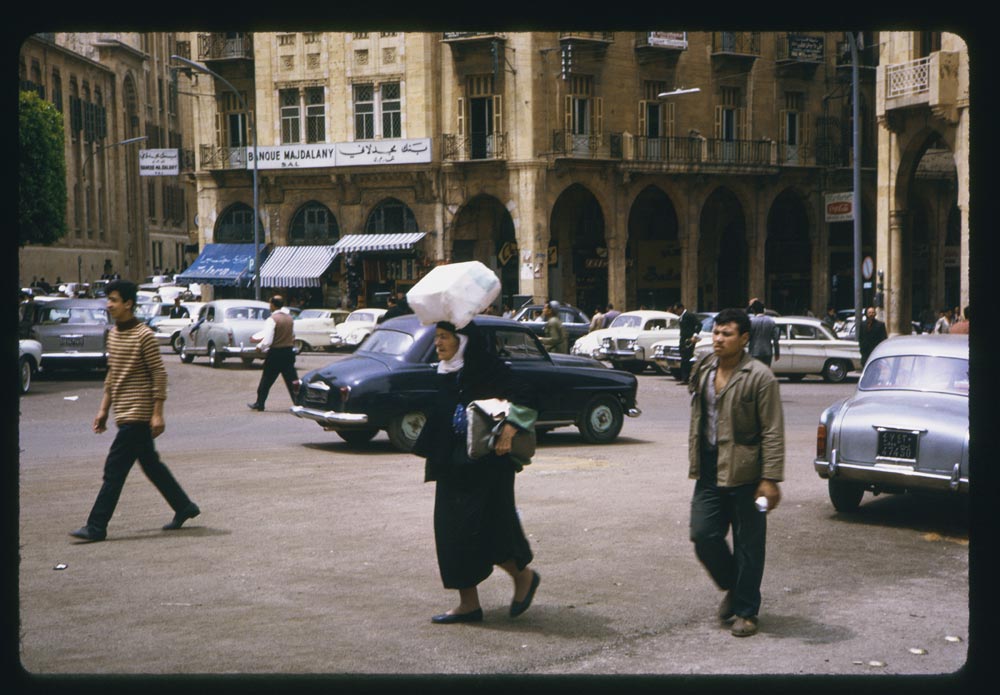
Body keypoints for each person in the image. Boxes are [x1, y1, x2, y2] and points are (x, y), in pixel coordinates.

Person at [412, 320, 540, 624]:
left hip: (487, 464)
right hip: (450, 463)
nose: (438, 344)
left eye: (445, 338)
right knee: (451, 533)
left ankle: (523, 577)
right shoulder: (444, 372)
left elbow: (528, 396)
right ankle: (468, 603)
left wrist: (510, 427)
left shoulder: (486, 367)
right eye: (437, 338)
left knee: (491, 528)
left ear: (463, 341)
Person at [70, 280, 200, 542]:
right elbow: (113, 374)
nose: (109, 305)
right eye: (108, 299)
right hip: (123, 411)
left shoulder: (144, 336)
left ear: (128, 304)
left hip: (137, 413)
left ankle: (96, 526)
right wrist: (103, 410)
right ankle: (184, 507)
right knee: (151, 465)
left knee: (114, 470)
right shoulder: (114, 334)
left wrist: (157, 412)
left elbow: (159, 375)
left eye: (114, 300)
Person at [686, 308, 784, 637]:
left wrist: (769, 479)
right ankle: (733, 585)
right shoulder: (703, 367)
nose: (718, 339)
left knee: (749, 544)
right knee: (703, 534)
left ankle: (746, 611)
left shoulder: (760, 377)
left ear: (744, 339)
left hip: (748, 474)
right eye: (715, 332)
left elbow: (772, 430)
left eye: (726, 334)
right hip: (710, 469)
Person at [247, 295, 298, 412]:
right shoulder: (289, 318)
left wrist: (259, 347)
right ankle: (298, 402)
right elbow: (293, 335)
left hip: (276, 353)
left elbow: (268, 339)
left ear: (273, 305)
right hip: (288, 352)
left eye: (270, 303)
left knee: (267, 379)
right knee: (292, 380)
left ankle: (260, 403)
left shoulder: (272, 319)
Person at [675, 302, 702, 385]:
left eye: (677, 310)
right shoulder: (681, 317)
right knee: (683, 359)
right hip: (683, 339)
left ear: (681, 308)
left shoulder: (689, 315)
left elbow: (699, 324)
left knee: (687, 359)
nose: (676, 312)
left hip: (689, 339)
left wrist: (695, 335)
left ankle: (687, 378)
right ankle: (685, 377)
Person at [747, 299, 780, 367]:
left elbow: (748, 337)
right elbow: (776, 339)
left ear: (753, 310)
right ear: (763, 310)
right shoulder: (771, 321)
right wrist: (777, 353)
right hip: (767, 352)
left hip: (754, 351)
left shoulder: (751, 322)